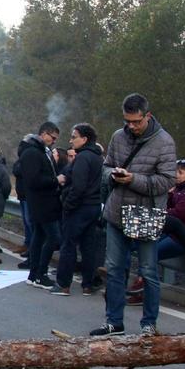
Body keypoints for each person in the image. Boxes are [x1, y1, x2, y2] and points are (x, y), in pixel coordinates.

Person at [91, 93, 176, 337]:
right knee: (115, 268)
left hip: (146, 213)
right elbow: (105, 166)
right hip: (117, 211)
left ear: (147, 116)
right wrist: (112, 174)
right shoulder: (118, 137)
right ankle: (113, 321)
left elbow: (167, 180)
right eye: (127, 121)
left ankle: (149, 324)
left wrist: (134, 179)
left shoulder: (164, 142)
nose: (131, 126)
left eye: (136, 121)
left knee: (148, 271)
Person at [51, 124, 103, 296]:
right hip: (93, 206)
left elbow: (78, 186)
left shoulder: (82, 158)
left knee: (69, 245)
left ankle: (63, 284)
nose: (71, 140)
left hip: (79, 207)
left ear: (85, 139)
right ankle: (88, 284)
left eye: (74, 137)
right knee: (88, 247)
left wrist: (68, 204)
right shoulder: (97, 158)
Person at [18, 122, 62, 290]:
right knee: (53, 237)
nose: (54, 142)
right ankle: (40, 274)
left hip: (43, 202)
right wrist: (55, 180)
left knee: (39, 237)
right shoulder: (32, 153)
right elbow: (33, 180)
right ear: (44, 134)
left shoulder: (39, 151)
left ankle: (34, 274)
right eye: (52, 138)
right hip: (42, 203)